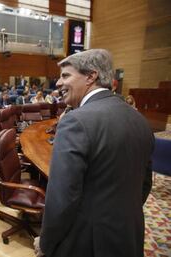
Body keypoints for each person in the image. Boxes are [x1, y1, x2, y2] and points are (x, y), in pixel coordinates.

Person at [34, 49, 154, 257]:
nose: (58, 84)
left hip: (86, 244)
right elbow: (144, 184)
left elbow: (61, 199)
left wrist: (46, 243)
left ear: (91, 76)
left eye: (66, 75)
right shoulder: (140, 120)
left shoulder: (75, 121)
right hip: (128, 237)